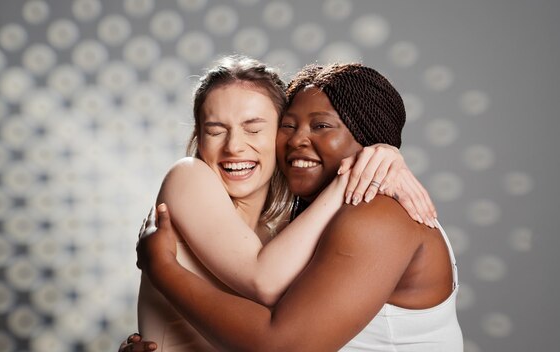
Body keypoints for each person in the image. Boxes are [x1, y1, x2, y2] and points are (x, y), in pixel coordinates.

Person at [133, 63, 462, 351]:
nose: (296, 140)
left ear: (368, 136)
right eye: (288, 127)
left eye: (320, 126)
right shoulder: (298, 222)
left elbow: (279, 344)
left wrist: (162, 268)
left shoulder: (376, 215)